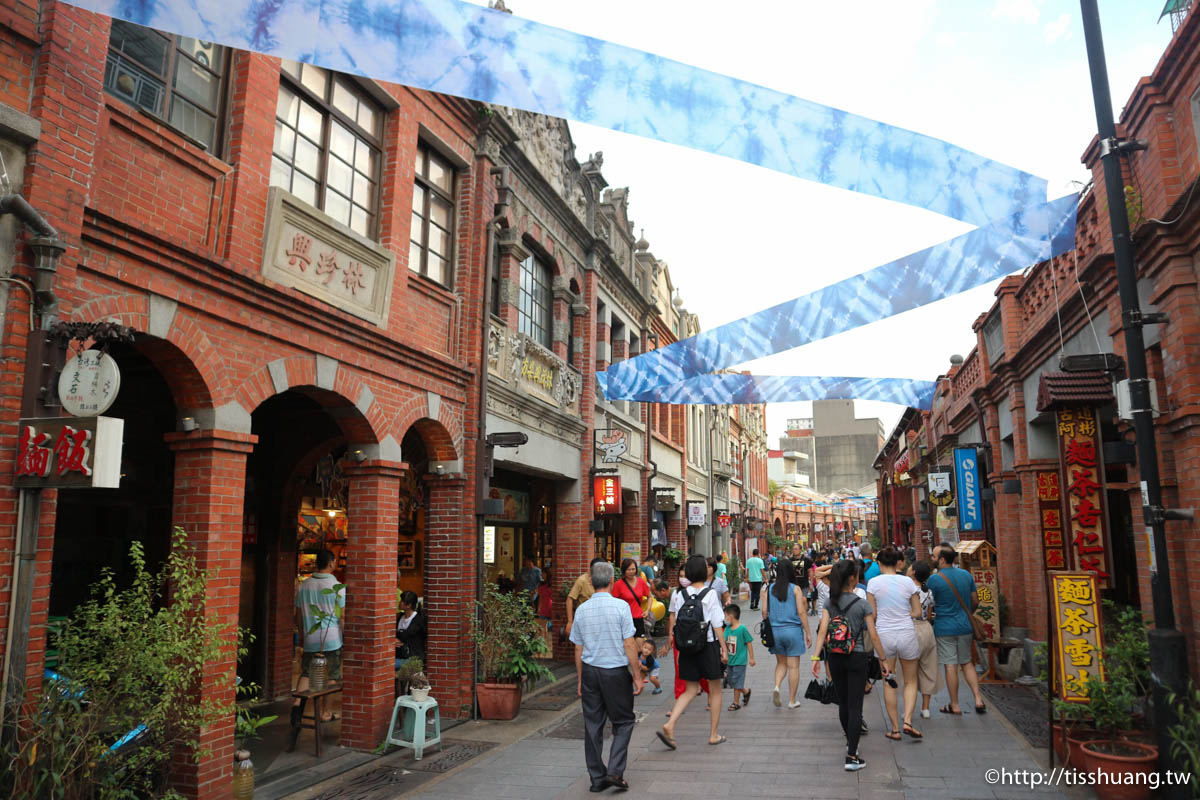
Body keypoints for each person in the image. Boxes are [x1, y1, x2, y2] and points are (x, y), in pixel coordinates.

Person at [570, 560, 644, 792]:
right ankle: (614, 771)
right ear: (612, 581)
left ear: (591, 582)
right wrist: (637, 674)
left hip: (591, 671)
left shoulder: (582, 610)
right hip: (615, 672)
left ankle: (597, 777)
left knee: (593, 724)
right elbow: (629, 644)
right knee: (623, 721)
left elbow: (578, 648)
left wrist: (580, 678)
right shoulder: (621, 607)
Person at [812, 559, 889, 772]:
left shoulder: (830, 602)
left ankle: (850, 741)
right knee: (856, 705)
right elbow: (873, 634)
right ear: (853, 578)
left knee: (844, 703)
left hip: (834, 656)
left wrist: (815, 658)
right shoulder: (862, 604)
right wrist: (883, 660)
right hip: (857, 658)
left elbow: (822, 631)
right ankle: (852, 755)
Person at [658, 554, 728, 749]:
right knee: (715, 691)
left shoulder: (680, 594)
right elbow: (717, 625)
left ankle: (670, 723)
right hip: (707, 646)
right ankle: (713, 734)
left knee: (690, 689)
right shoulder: (711, 593)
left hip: (687, 647)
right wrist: (724, 649)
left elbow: (677, 621)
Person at [866, 547, 923, 740]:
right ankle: (907, 720)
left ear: (880, 564)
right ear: (897, 563)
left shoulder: (873, 583)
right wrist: (903, 615)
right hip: (906, 633)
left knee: (889, 681)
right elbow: (917, 612)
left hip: (884, 636)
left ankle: (895, 729)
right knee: (911, 681)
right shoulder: (907, 582)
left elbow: (872, 615)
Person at [929, 543, 986, 715]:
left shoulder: (935, 579)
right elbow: (975, 600)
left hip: (944, 627)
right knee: (967, 662)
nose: (932, 559)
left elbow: (929, 603)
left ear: (942, 559)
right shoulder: (966, 575)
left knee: (950, 665)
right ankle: (978, 699)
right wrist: (967, 612)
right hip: (965, 625)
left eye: (934, 557)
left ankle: (955, 704)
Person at [293, 550, 345, 726]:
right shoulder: (337, 587)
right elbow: (342, 616)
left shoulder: (304, 586)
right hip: (331, 638)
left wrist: (301, 634)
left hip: (310, 636)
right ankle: (326, 712)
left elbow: (298, 614)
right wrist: (344, 637)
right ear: (331, 563)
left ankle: (297, 703)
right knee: (331, 675)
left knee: (307, 672)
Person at [761, 557, 812, 708]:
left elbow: (764, 612)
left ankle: (777, 686)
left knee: (781, 663)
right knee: (794, 666)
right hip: (793, 632)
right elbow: (802, 612)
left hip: (775, 632)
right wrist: (808, 633)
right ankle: (792, 700)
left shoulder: (769, 589)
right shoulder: (795, 589)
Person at [660, 566, 710, 705]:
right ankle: (679, 699)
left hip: (698, 635)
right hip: (680, 635)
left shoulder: (702, 592)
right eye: (681, 576)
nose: (683, 579)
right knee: (679, 668)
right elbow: (672, 614)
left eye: (686, 576)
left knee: (702, 667)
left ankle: (711, 694)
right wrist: (671, 633)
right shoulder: (676, 593)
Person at [908, 560, 938, 719]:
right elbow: (930, 613)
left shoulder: (907, 590)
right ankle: (925, 708)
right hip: (926, 628)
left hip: (910, 628)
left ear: (913, 572)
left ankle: (909, 710)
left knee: (910, 672)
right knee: (928, 668)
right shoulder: (928, 592)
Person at [722, 603, 755, 710]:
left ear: (730, 616)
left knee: (737, 682)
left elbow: (749, 642)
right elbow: (723, 642)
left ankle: (735, 703)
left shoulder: (742, 629)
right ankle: (746, 691)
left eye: (725, 615)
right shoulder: (727, 629)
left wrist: (751, 658)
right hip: (730, 661)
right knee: (731, 681)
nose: (724, 618)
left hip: (740, 661)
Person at [610, 558, 652, 637]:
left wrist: (647, 610)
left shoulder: (641, 581)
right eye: (628, 570)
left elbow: (650, 596)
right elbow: (612, 602)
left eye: (633, 569)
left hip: (638, 618)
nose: (631, 572)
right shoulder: (618, 584)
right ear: (624, 570)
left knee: (639, 645)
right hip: (624, 620)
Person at [565, 557, 605, 637]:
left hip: (600, 618)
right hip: (585, 619)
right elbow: (569, 599)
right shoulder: (582, 580)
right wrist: (570, 621)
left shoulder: (603, 579)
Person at [395, 590, 427, 666]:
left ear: (408, 605)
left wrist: (398, 639)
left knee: (389, 664)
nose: (400, 603)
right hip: (400, 654)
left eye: (402, 601)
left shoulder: (417, 620)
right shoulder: (400, 617)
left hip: (413, 657)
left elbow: (406, 635)